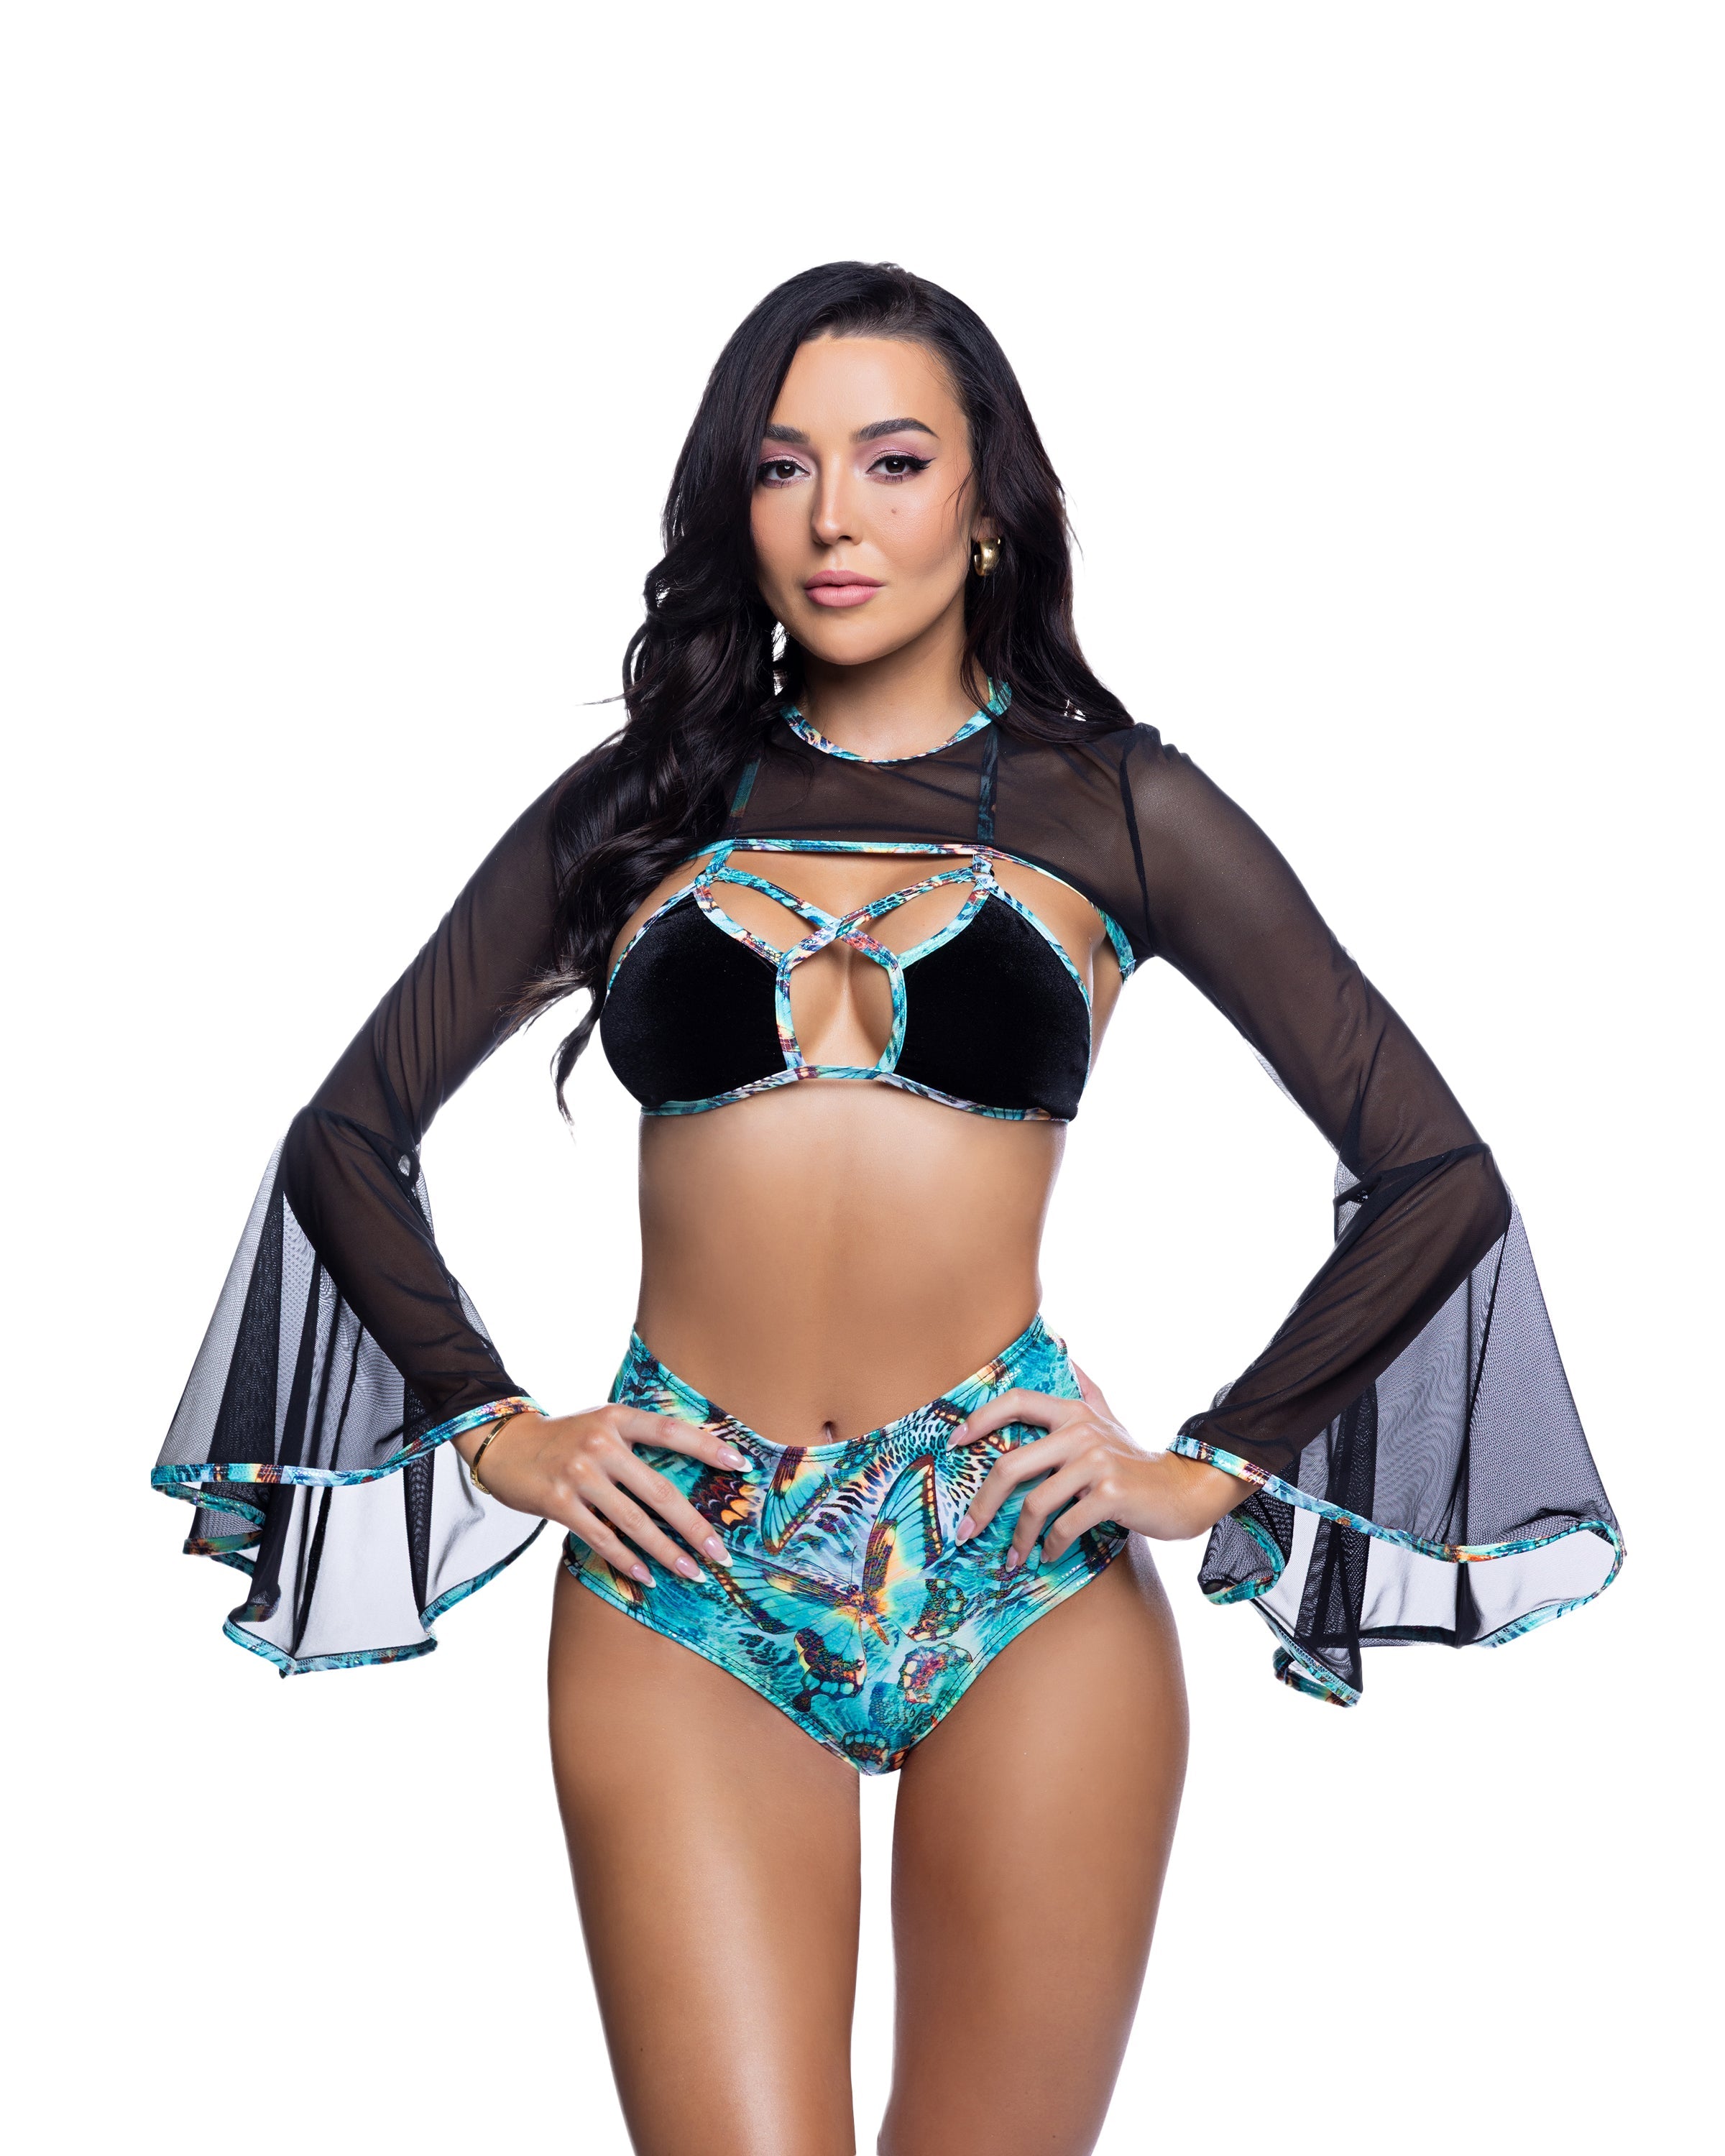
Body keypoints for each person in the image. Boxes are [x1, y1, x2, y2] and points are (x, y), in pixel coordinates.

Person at [154, 262, 1622, 2156]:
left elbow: (1436, 1175)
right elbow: (347, 1134)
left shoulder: (1121, 808)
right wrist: (499, 1431)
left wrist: (1215, 1467)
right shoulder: (647, 802)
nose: (833, 518)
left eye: (894, 461)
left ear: (988, 503)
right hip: (682, 1561)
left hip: (1018, 1561)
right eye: (783, 468)